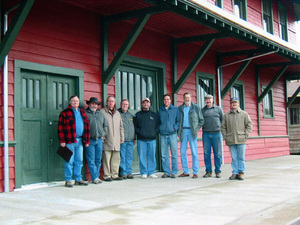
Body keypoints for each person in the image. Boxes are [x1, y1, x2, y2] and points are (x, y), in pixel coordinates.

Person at [58, 95, 90, 188]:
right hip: (69, 141)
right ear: (70, 102)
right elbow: (60, 128)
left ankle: (78, 179)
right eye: (73, 101)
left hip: (80, 140)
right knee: (69, 160)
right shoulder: (64, 113)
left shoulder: (82, 112)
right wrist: (62, 140)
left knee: (79, 160)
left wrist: (87, 140)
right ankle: (68, 179)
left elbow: (87, 127)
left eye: (77, 101)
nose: (75, 102)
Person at [221, 97, 252, 180]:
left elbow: (249, 125)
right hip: (231, 140)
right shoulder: (226, 115)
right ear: (230, 104)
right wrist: (226, 136)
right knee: (234, 157)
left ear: (238, 104)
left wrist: (246, 135)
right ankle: (234, 172)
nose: (234, 104)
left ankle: (241, 172)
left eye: (236, 102)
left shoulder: (244, 114)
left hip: (241, 139)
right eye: (232, 103)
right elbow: (223, 127)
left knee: (241, 157)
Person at [178, 92, 204, 179]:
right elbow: (178, 120)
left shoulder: (196, 107)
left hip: (192, 131)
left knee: (194, 152)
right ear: (183, 98)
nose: (187, 99)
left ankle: (195, 172)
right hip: (183, 131)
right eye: (185, 97)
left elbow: (201, 120)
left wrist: (196, 129)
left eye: (188, 97)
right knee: (182, 152)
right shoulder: (180, 108)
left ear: (191, 98)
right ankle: (186, 171)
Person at [100, 96, 124, 181]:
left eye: (113, 101)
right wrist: (102, 136)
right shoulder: (102, 112)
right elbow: (100, 125)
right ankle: (107, 175)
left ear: (115, 103)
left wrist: (122, 136)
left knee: (116, 159)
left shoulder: (117, 113)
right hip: (107, 139)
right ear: (106, 102)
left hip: (117, 140)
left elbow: (121, 126)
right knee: (106, 159)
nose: (111, 103)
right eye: (109, 101)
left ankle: (115, 174)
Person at [134, 98, 159, 179]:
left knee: (152, 156)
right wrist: (139, 133)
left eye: (147, 102)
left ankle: (151, 172)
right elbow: (135, 126)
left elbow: (158, 125)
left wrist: (155, 132)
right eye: (144, 103)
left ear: (150, 104)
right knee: (142, 156)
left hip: (152, 139)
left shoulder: (154, 115)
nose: (146, 104)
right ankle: (143, 172)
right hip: (141, 140)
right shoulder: (138, 115)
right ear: (142, 104)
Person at [85, 97, 107, 184]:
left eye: (96, 104)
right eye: (92, 104)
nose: (94, 105)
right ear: (89, 104)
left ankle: (96, 176)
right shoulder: (85, 114)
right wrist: (85, 139)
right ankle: (95, 177)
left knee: (98, 159)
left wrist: (103, 134)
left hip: (99, 140)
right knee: (91, 160)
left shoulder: (100, 114)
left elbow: (105, 125)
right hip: (89, 140)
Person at [158, 94, 180, 178]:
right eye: (165, 99)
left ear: (170, 100)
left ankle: (174, 172)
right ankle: (166, 172)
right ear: (163, 101)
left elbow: (178, 121)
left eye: (168, 99)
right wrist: (160, 129)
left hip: (172, 134)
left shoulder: (175, 109)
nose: (166, 101)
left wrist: (174, 128)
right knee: (164, 155)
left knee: (174, 154)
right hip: (163, 134)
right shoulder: (160, 110)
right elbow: (158, 121)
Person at [201, 94, 223, 178]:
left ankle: (218, 171)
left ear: (213, 100)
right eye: (206, 99)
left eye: (209, 99)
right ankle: (208, 171)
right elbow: (200, 121)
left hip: (216, 133)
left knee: (217, 153)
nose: (208, 101)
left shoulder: (218, 109)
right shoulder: (203, 110)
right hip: (206, 134)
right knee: (206, 154)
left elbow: (222, 120)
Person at [118, 99, 135, 179]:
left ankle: (129, 172)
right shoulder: (118, 114)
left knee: (129, 156)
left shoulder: (130, 115)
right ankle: (123, 172)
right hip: (122, 140)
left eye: (126, 104)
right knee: (122, 156)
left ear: (128, 106)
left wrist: (134, 137)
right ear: (121, 105)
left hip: (130, 139)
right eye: (123, 104)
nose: (125, 105)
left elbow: (133, 127)